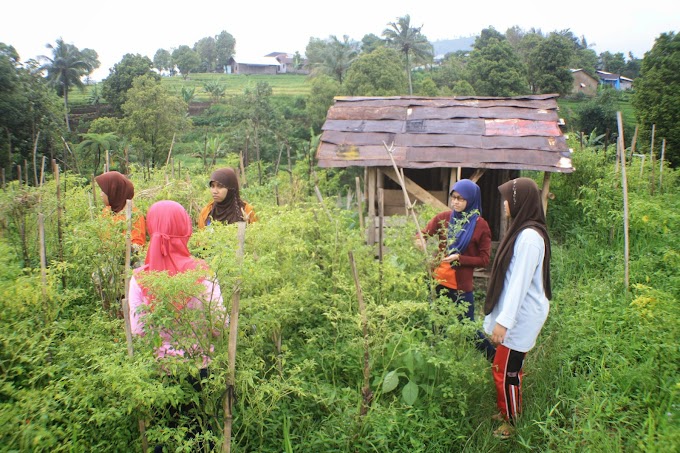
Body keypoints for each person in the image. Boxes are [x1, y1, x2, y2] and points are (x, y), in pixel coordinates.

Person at [128, 200, 226, 451]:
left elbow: (139, 333)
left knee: (163, 435)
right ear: (186, 229)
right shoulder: (204, 274)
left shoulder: (139, 279)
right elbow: (219, 326)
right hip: (200, 370)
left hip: (159, 373)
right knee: (200, 434)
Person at [483, 177, 552, 439]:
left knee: (507, 372)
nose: (503, 204)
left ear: (519, 201)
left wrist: (504, 321)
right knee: (504, 366)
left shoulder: (529, 238)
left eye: (507, 199)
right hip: (517, 314)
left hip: (521, 316)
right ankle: (506, 410)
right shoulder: (523, 231)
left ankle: (512, 421)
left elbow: (519, 284)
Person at [418, 179, 495, 360]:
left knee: (468, 328)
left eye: (461, 199)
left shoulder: (480, 225)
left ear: (471, 200)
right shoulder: (444, 218)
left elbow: (484, 259)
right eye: (453, 198)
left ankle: (495, 359)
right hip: (437, 282)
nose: (456, 202)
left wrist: (460, 258)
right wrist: (419, 241)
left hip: (460, 287)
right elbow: (423, 233)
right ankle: (437, 364)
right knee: (437, 326)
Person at [94, 170, 146, 250]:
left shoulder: (134, 216)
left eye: (103, 191)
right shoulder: (107, 211)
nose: (101, 195)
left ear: (114, 191)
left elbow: (138, 247)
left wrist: (118, 247)